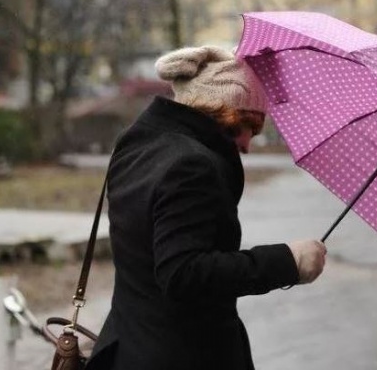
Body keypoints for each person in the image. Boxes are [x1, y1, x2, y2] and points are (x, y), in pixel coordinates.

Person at [86, 45, 327, 370]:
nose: (248, 144)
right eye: (250, 126)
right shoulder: (190, 166)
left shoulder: (137, 146)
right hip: (182, 355)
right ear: (227, 115)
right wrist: (288, 261)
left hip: (131, 346)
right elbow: (183, 273)